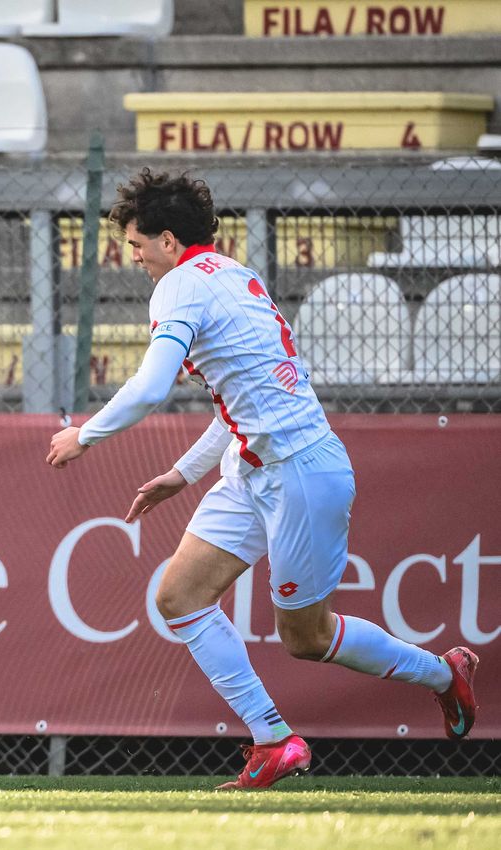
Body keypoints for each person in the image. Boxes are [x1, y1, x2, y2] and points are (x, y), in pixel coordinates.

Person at [46, 168, 479, 790]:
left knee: (307, 637)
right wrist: (181, 473)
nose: (133, 256)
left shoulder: (178, 287)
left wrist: (83, 435)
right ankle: (274, 740)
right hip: (253, 469)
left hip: (299, 472)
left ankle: (442, 673)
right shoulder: (233, 275)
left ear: (167, 240)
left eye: (137, 244)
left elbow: (148, 387)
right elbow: (241, 401)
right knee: (179, 597)